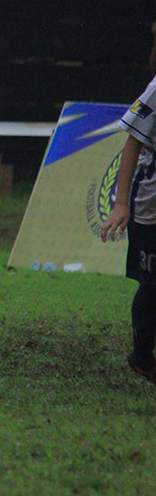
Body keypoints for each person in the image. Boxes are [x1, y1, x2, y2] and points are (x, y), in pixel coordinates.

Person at [100, 75, 156, 383]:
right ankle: (143, 358)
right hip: (149, 206)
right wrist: (121, 204)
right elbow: (133, 141)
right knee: (153, 285)